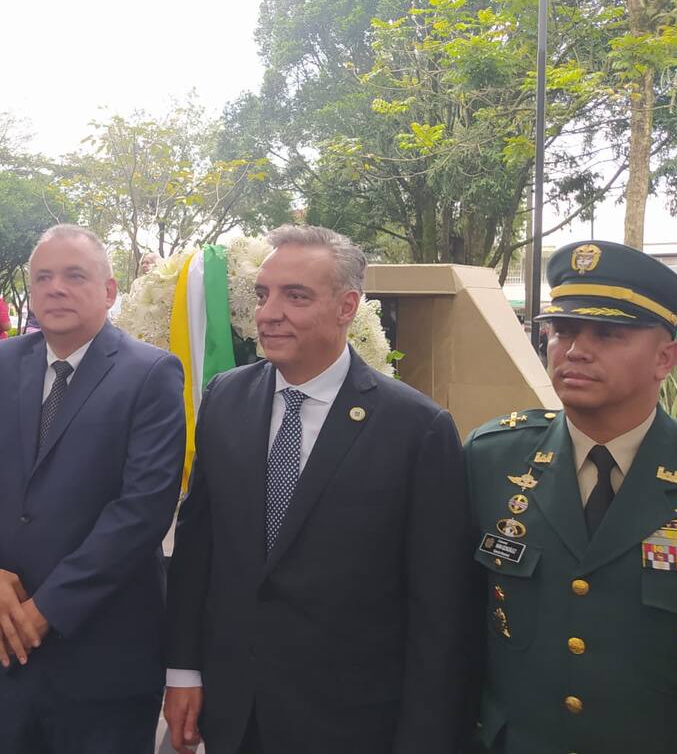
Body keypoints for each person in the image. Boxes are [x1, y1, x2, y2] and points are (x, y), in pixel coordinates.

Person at [163, 224, 476, 754]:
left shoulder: (416, 427)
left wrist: (425, 736)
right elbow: (198, 547)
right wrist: (183, 669)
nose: (269, 312)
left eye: (296, 296)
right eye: (263, 295)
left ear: (347, 306)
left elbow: (439, 609)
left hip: (351, 722)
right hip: (236, 712)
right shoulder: (225, 398)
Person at [0, 224, 186, 754]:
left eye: (75, 276)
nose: (56, 288)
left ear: (110, 291)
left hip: (104, 658)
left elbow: (141, 511)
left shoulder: (151, 374)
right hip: (10, 654)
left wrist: (42, 610)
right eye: (43, 277)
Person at [465, 240, 677, 754]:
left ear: (667, 358)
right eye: (562, 331)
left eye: (608, 334)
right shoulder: (492, 457)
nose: (575, 350)